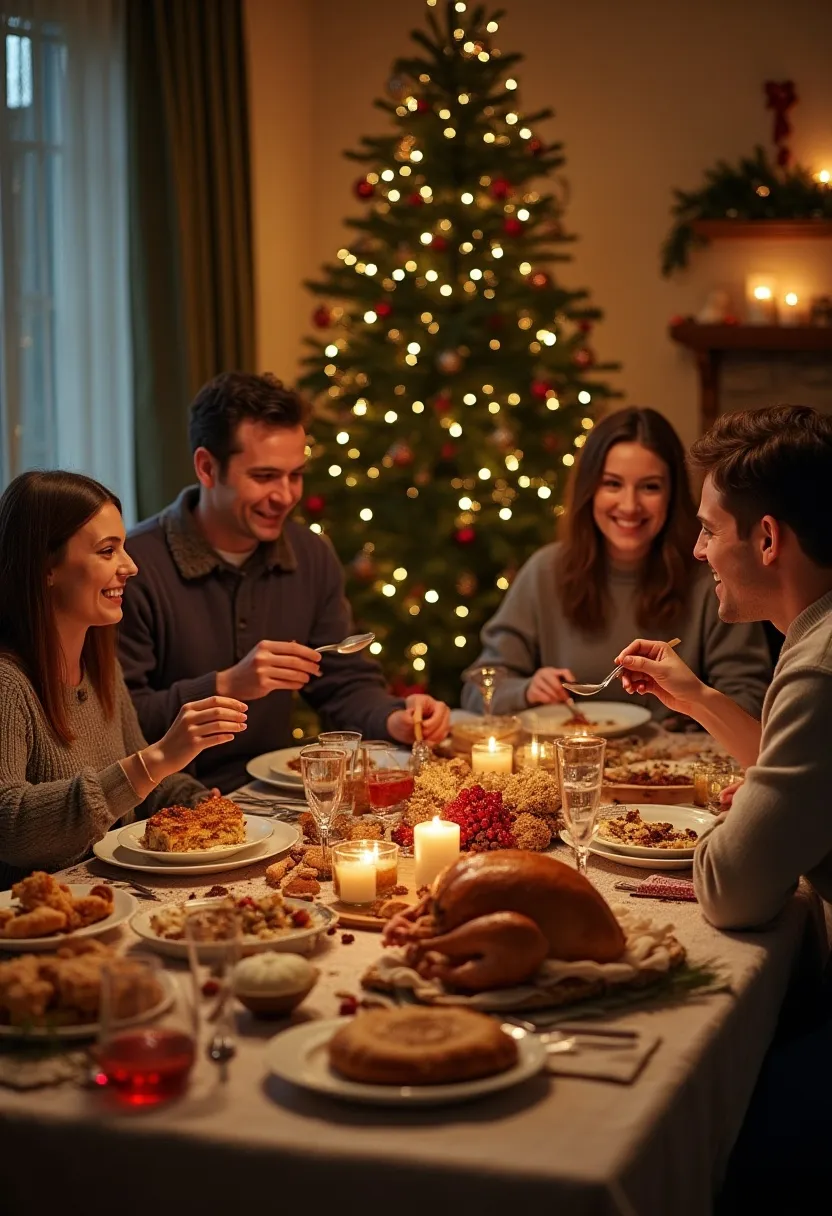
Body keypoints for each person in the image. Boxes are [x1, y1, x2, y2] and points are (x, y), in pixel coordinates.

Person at [614, 407, 832, 1216]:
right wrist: (698, 698)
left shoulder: (818, 668)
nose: (698, 548)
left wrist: (729, 825)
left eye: (708, 530)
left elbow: (733, 889)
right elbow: (800, 775)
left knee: (699, 1116)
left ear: (767, 539)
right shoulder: (816, 634)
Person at [119, 372, 450, 793]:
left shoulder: (310, 555)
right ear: (206, 467)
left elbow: (342, 682)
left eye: (295, 475)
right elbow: (118, 721)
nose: (286, 495)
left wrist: (394, 718)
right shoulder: (134, 565)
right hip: (165, 805)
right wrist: (225, 686)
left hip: (273, 796)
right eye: (264, 476)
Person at [0, 471, 248, 888]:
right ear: (46, 568)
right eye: (106, 551)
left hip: (109, 893)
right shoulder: (8, 684)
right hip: (35, 923)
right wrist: (154, 760)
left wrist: (200, 803)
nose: (130, 567)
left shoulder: (102, 669)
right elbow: (8, 825)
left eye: (124, 548)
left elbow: (148, 789)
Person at [462, 407, 771, 720]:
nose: (629, 506)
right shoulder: (545, 571)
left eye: (650, 486)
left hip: (680, 762)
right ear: (590, 490)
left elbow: (751, 700)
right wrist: (525, 690)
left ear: (672, 495)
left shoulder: (712, 575)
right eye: (612, 484)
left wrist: (691, 704)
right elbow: (478, 689)